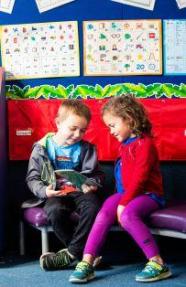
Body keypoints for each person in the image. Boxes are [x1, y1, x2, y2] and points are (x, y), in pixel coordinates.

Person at [69, 94, 172, 283]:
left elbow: (140, 179)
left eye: (112, 125)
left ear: (129, 120)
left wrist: (124, 203)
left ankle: (158, 263)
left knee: (126, 215)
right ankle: (87, 261)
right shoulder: (125, 145)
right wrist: (121, 200)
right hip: (128, 194)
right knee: (104, 212)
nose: (111, 131)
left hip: (149, 195)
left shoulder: (145, 144)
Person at [26, 99, 105, 270]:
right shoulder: (41, 148)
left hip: (80, 191)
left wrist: (92, 184)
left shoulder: (87, 148)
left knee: (93, 207)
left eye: (82, 130)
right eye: (73, 128)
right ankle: (83, 253)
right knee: (54, 211)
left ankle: (70, 254)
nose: (77, 134)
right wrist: (44, 191)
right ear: (58, 123)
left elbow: (97, 175)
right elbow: (32, 178)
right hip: (55, 192)